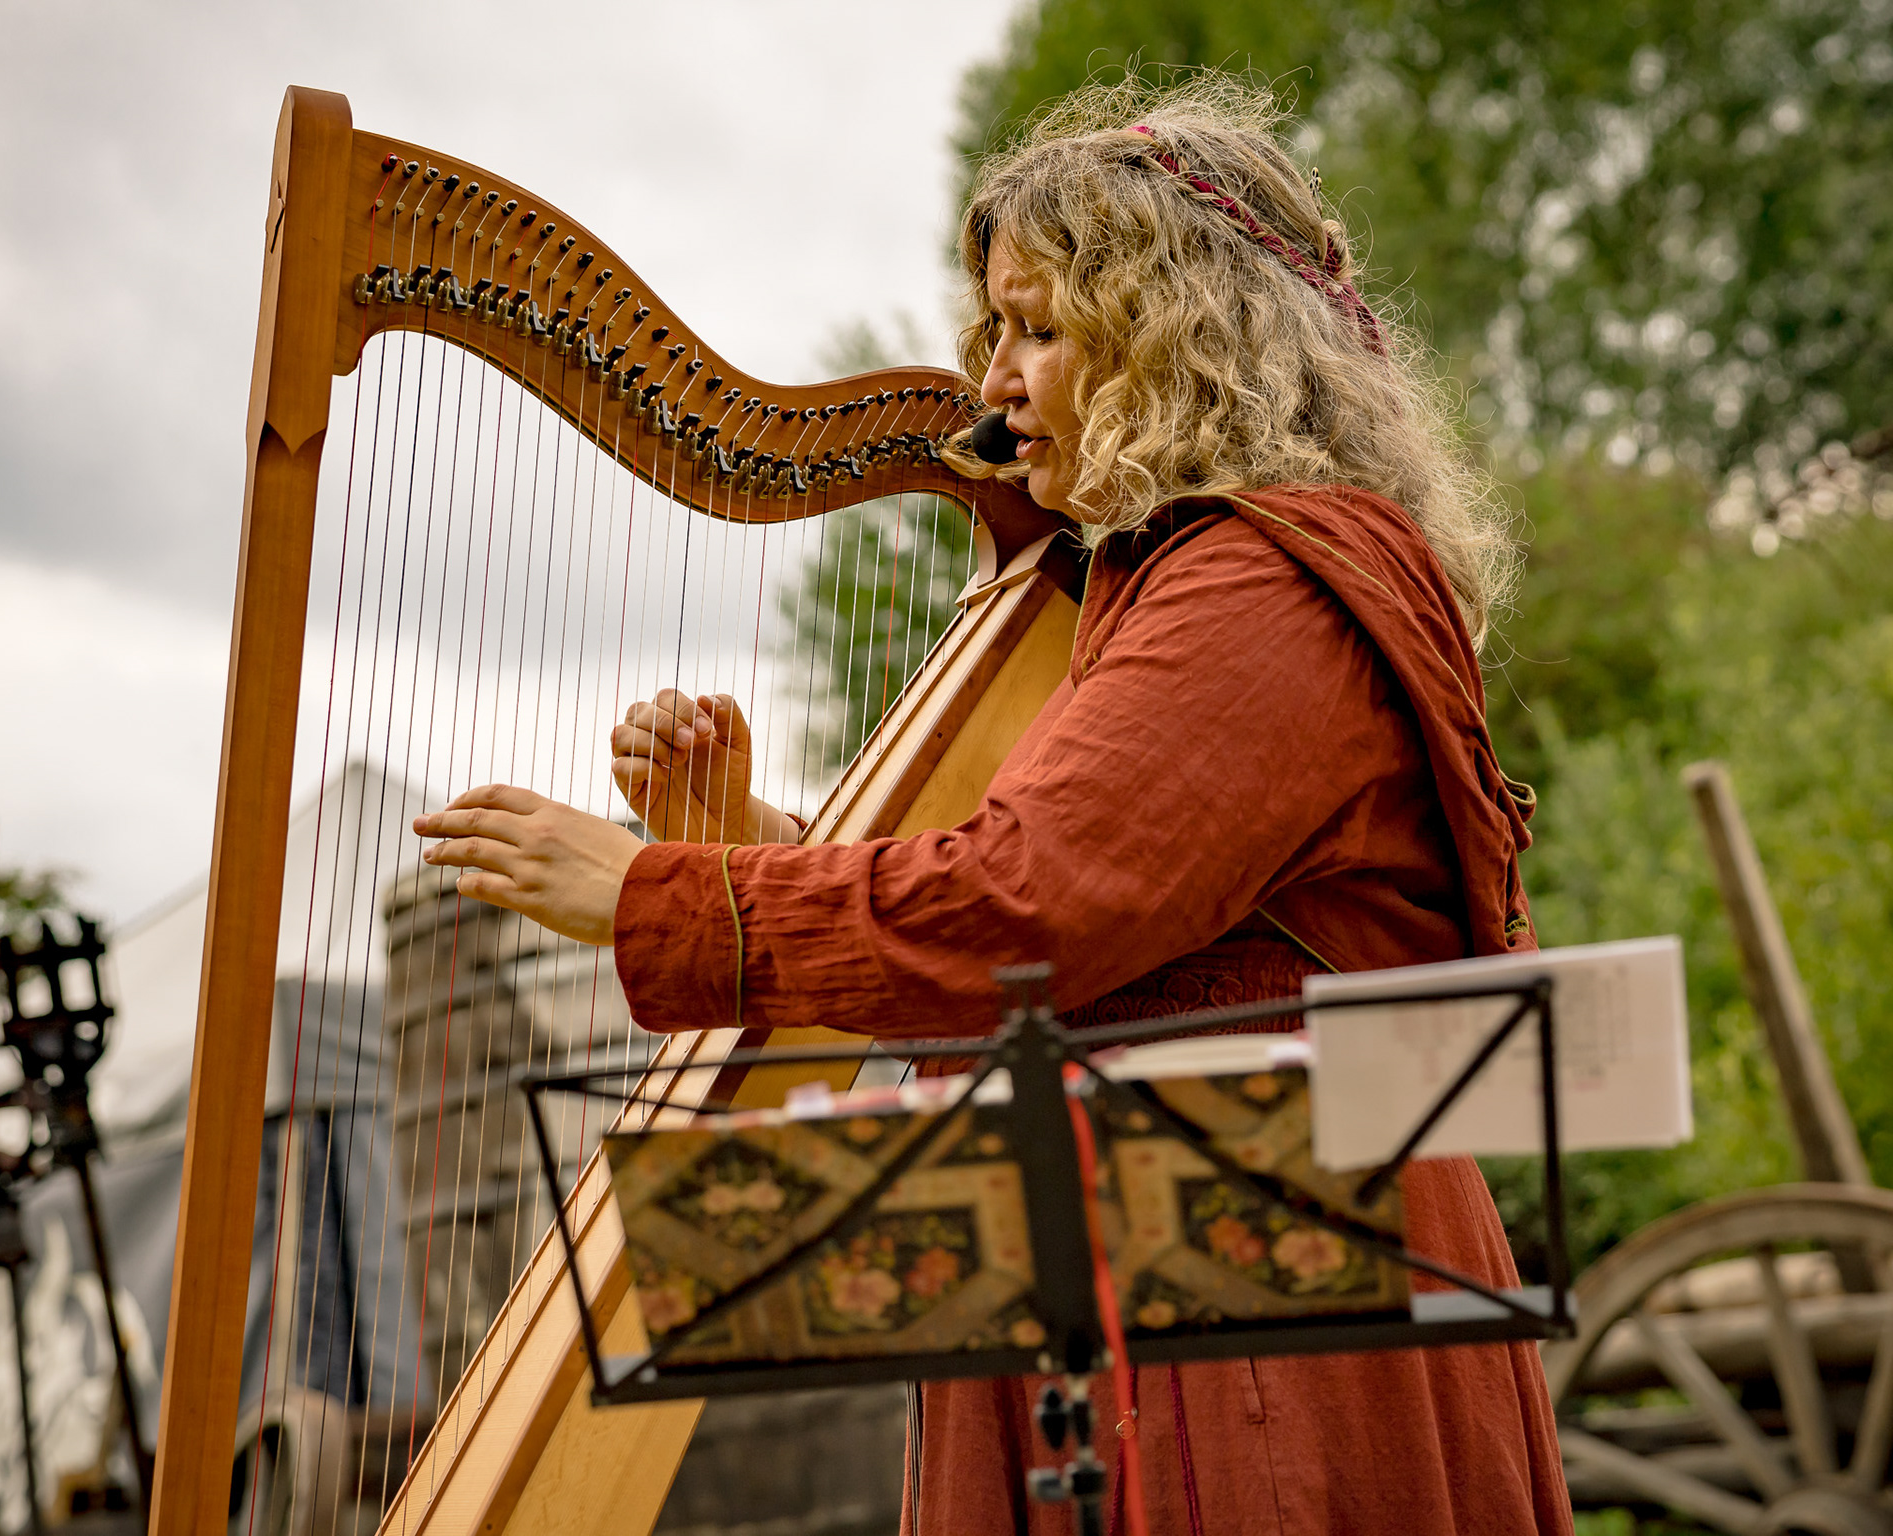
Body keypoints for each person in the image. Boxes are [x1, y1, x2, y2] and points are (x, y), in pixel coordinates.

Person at [415, 78, 1574, 1536]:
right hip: (1179, 1259)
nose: (997, 384)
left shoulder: (1261, 587)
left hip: (1252, 1309)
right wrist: (756, 845)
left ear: (1170, 335)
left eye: (1040, 327)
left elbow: (1029, 908)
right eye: (995, 334)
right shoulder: (1190, 584)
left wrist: (660, 896)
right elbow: (1120, 898)